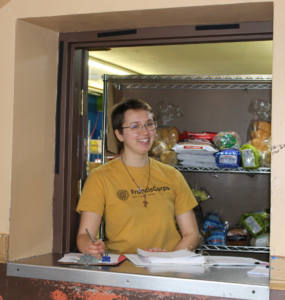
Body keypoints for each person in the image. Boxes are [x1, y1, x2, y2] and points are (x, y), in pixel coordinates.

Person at [76, 99, 200, 259]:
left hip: (167, 270)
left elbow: (192, 234)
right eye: (135, 126)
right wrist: (90, 247)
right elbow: (84, 236)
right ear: (119, 134)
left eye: (149, 124)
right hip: (121, 269)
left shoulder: (172, 175)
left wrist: (167, 260)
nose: (145, 132)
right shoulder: (100, 177)